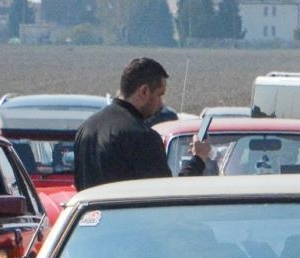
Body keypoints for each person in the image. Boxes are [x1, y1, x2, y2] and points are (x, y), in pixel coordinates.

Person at [73, 58, 211, 189]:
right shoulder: (142, 137)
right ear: (144, 91)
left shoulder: (85, 129)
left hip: (91, 207)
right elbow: (167, 194)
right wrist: (198, 159)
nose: (161, 104)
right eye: (159, 95)